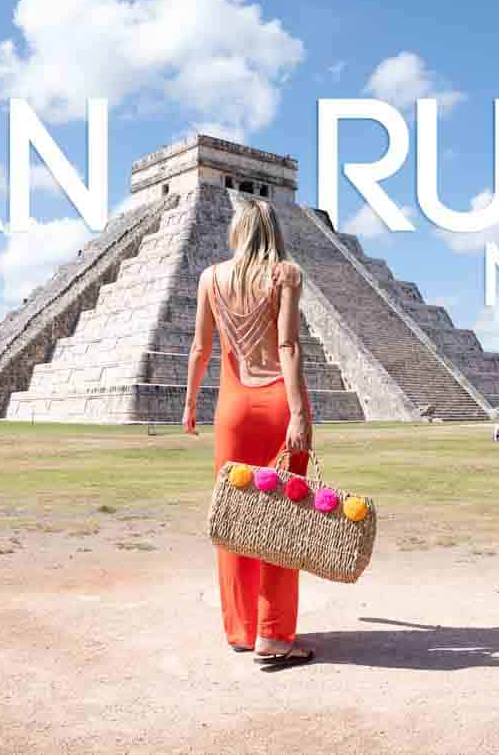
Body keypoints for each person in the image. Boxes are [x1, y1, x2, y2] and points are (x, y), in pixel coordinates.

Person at [182, 198, 313, 669]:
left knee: (235, 518)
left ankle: (240, 629)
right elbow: (288, 345)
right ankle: (274, 634)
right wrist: (298, 414)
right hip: (279, 403)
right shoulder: (285, 274)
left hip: (233, 410)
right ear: (274, 231)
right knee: (283, 519)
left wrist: (190, 402)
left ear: (237, 229)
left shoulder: (210, 278)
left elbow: (200, 347)